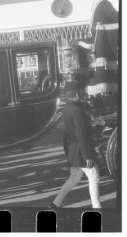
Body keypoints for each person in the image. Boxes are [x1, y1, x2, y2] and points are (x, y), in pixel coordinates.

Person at [50, 81, 101, 209]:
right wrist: (88, 156)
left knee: (74, 177)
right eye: (81, 91)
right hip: (81, 150)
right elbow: (82, 136)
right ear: (77, 94)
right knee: (94, 177)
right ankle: (97, 207)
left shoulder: (66, 109)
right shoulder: (78, 111)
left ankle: (56, 203)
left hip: (72, 149)